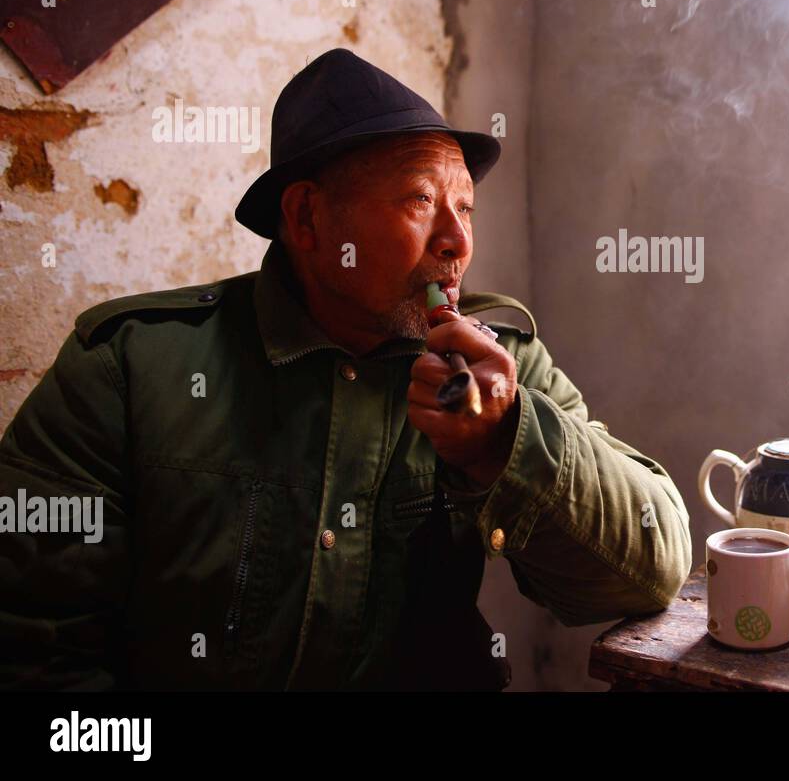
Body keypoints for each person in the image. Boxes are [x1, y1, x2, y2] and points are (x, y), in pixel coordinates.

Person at [0, 48, 692, 690]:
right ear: (307, 219)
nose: (457, 242)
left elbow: (649, 576)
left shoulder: (496, 369)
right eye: (421, 201)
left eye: (465, 208)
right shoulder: (130, 365)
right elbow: (31, 645)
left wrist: (506, 444)